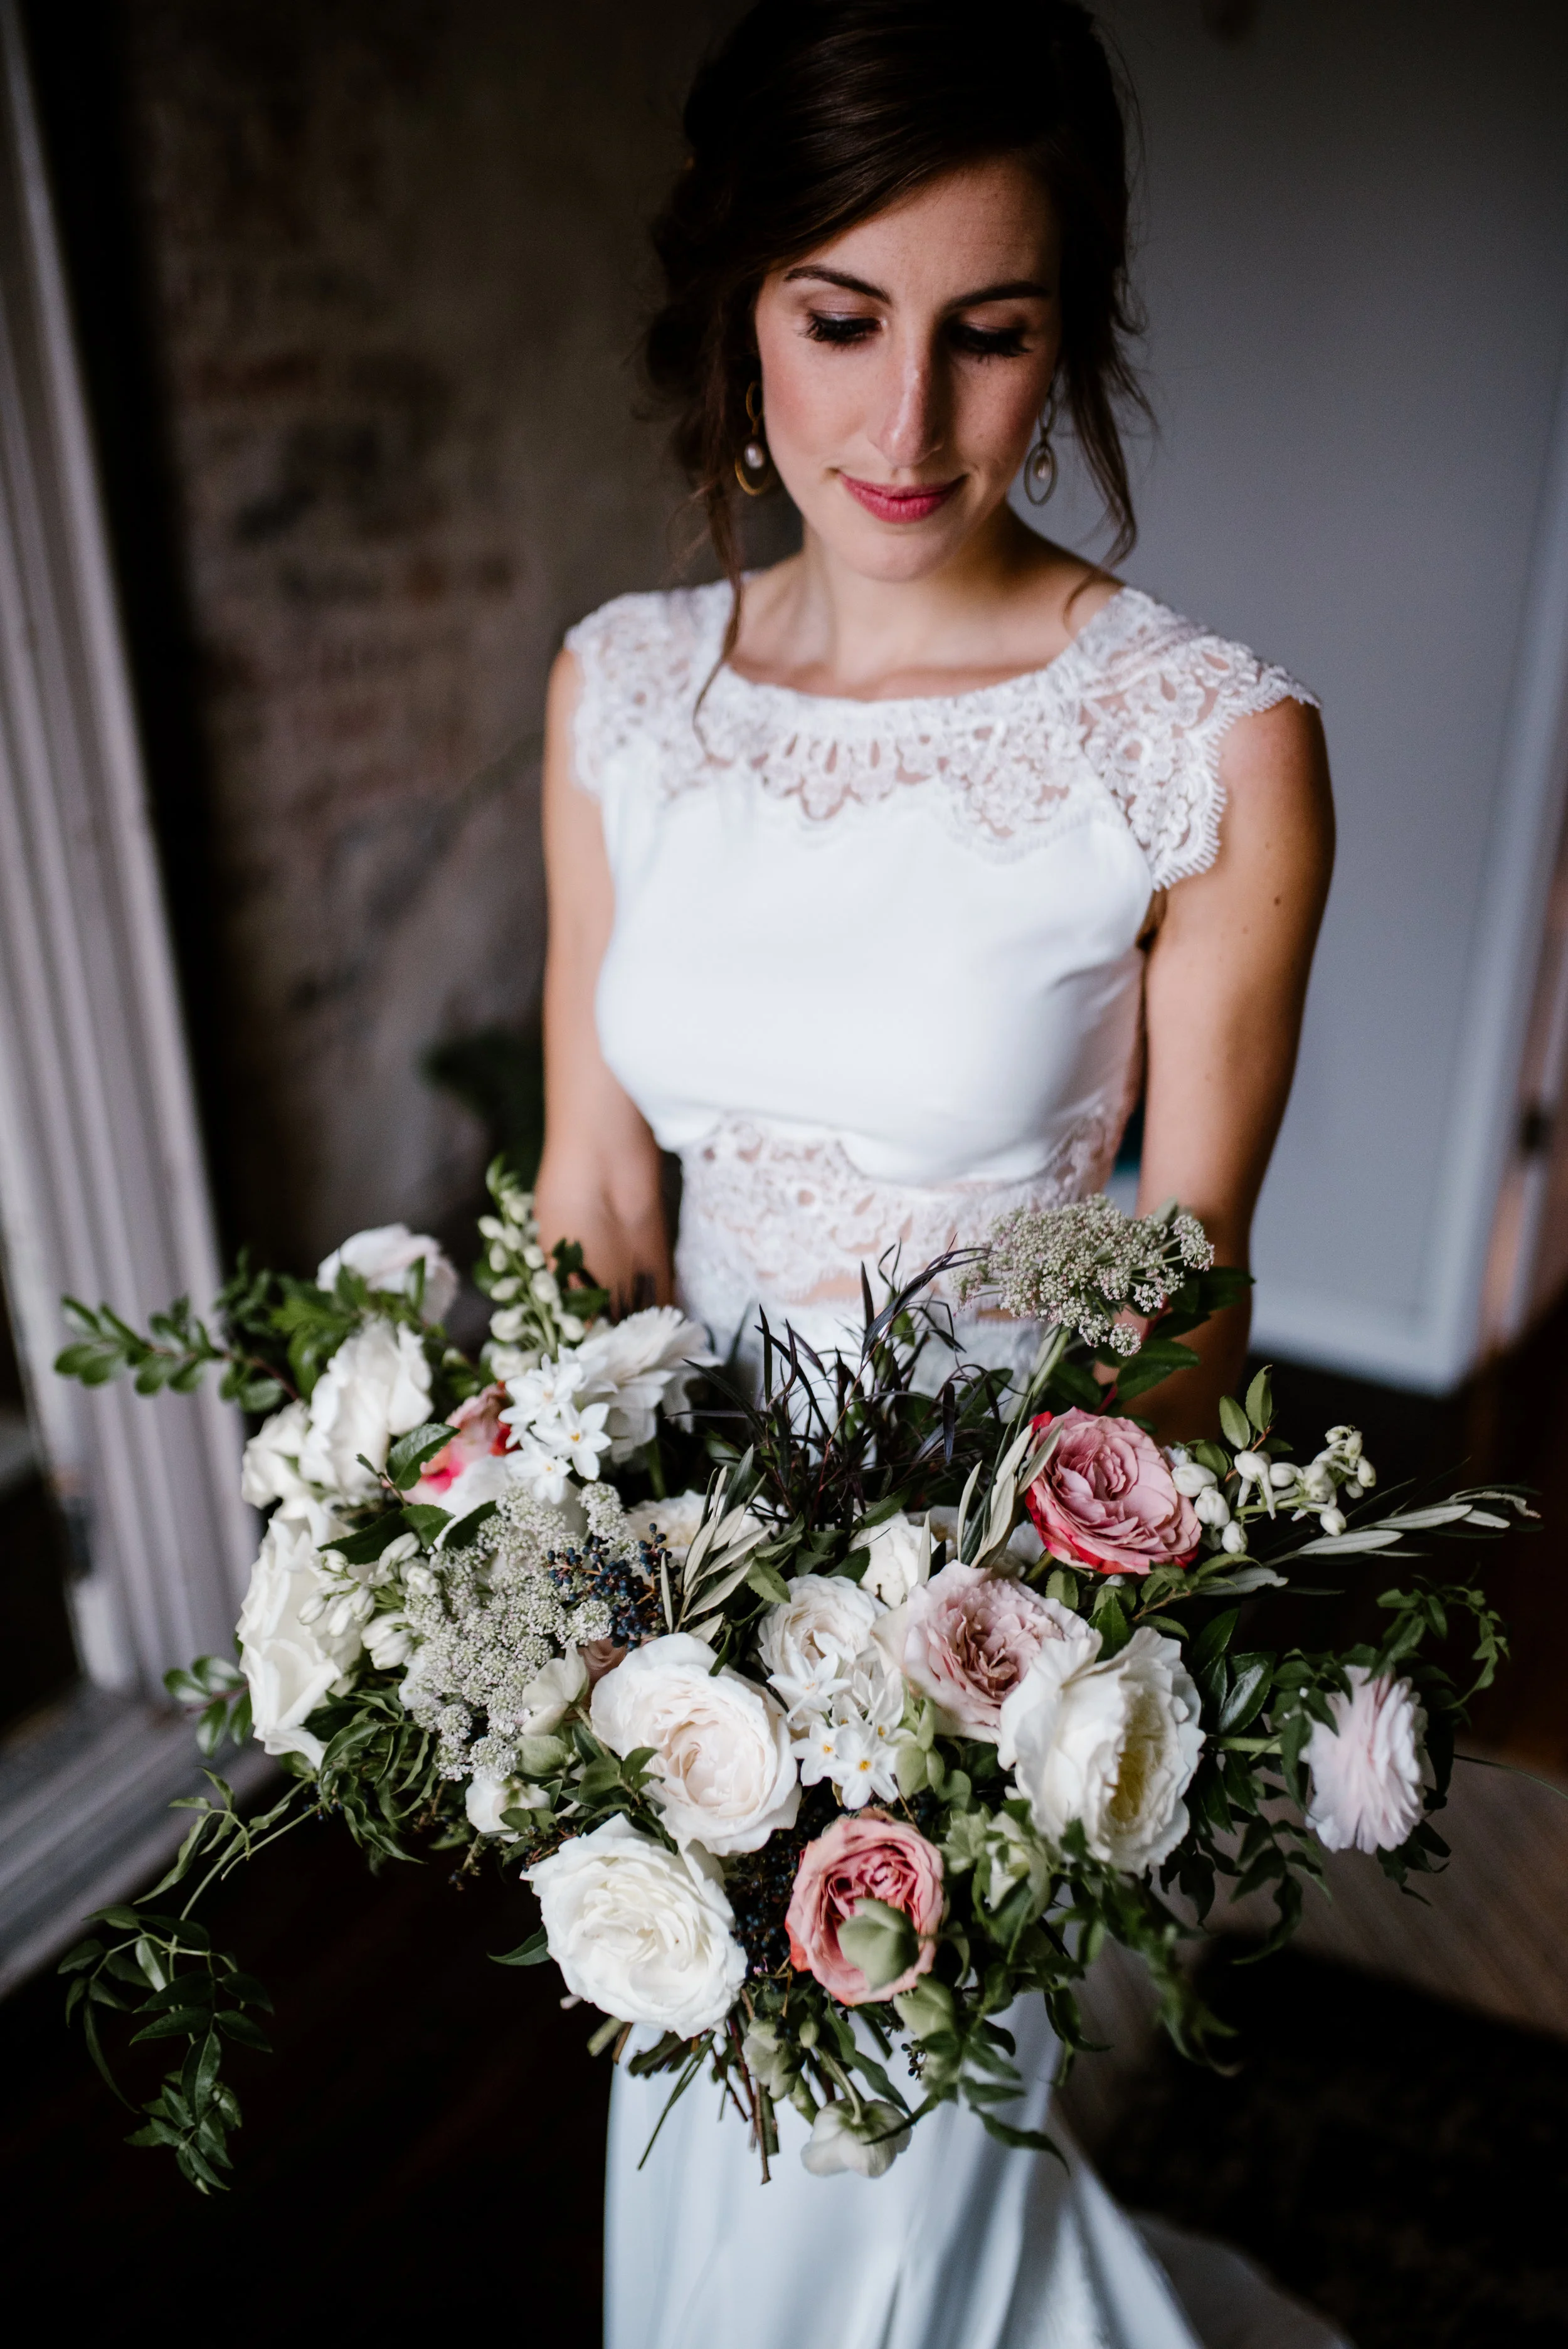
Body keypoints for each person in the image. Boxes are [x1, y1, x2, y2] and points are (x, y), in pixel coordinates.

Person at [535, 4, 1341, 2342]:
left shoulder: (1203, 744)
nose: (904, 426)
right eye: (838, 319)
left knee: (888, 2237)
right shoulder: (620, 694)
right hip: (662, 1636)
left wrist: (971, 1687)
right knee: (699, 2177)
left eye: (987, 337)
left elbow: (1178, 1288)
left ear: (1068, 335)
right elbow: (594, 1188)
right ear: (733, 301)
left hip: (968, 1634)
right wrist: (559, 1611)